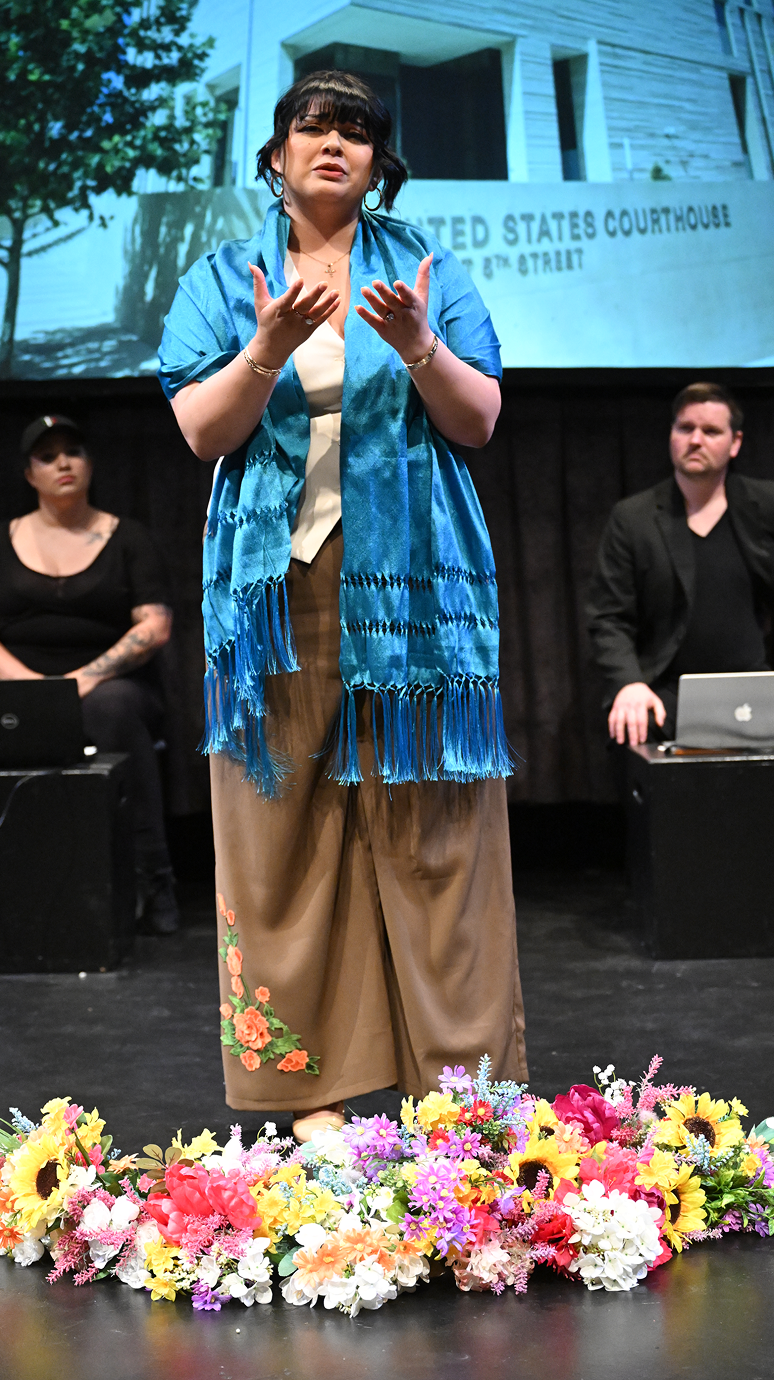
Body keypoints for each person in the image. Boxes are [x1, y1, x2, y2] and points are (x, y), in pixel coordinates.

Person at [158, 69, 527, 1141]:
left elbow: (479, 421)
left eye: (357, 130)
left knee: (436, 832)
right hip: (275, 597)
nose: (334, 142)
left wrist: (419, 342)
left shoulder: (425, 267)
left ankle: (460, 1096)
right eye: (313, 125)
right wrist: (265, 346)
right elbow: (202, 433)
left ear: (379, 163)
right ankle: (303, 1094)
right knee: (279, 838)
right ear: (274, 156)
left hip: (412, 589)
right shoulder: (224, 276)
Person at [0, 415, 179, 933]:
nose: (62, 463)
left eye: (72, 451)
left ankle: (152, 876)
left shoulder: (128, 538)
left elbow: (155, 627)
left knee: (112, 707)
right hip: (18, 684)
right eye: (46, 455)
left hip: (111, 685)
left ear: (90, 465)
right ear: (29, 474)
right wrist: (35, 689)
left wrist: (81, 680)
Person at [587, 382, 774, 746]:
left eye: (711, 431)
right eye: (685, 428)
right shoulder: (633, 517)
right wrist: (630, 683)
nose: (696, 440)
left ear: (735, 442)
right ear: (672, 435)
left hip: (752, 687)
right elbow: (608, 617)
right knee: (636, 728)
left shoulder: (768, 503)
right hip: (668, 692)